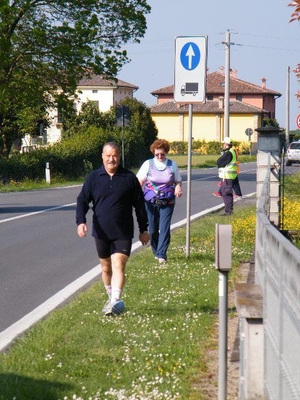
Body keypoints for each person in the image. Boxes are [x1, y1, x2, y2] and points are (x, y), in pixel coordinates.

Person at [76, 142, 150, 316]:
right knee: (106, 268)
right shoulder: (94, 178)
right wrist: (81, 221)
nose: (111, 159)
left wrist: (143, 229)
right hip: (101, 232)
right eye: (108, 156)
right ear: (102, 156)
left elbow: (139, 206)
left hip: (123, 232)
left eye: (115, 155)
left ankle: (115, 301)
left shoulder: (129, 178)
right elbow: (82, 201)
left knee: (119, 264)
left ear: (119, 157)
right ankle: (111, 298)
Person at [136, 139, 183, 264]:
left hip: (167, 200)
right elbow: (140, 180)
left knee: (164, 227)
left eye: (162, 154)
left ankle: (162, 254)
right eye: (157, 154)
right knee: (152, 229)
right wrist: (136, 191)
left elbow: (178, 180)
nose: (160, 156)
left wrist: (178, 187)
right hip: (151, 200)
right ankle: (156, 251)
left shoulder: (172, 165)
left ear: (166, 152)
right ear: (154, 153)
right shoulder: (148, 164)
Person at [216, 137, 238, 216]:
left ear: (226, 145)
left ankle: (228, 211)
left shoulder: (229, 153)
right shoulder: (232, 151)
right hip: (229, 176)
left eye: (224, 144)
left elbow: (219, 162)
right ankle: (229, 210)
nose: (223, 145)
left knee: (226, 193)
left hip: (227, 176)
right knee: (225, 192)